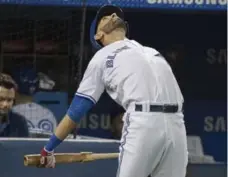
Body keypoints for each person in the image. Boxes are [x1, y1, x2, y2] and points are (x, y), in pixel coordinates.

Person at [38, 5, 188, 177]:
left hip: (177, 122)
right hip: (143, 121)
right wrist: (49, 147)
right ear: (98, 35)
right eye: (104, 18)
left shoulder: (149, 51)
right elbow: (77, 109)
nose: (113, 15)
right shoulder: (102, 57)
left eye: (115, 15)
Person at [0, 73, 29, 137]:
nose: (5, 104)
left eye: (9, 100)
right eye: (1, 99)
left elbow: (24, 146)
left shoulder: (19, 121)